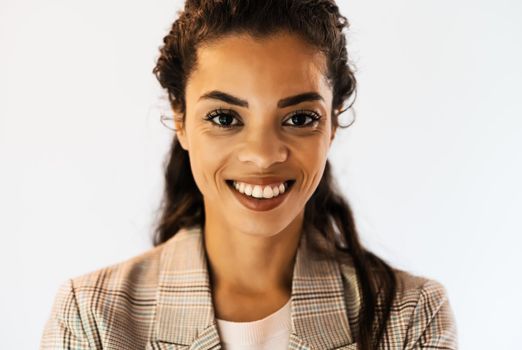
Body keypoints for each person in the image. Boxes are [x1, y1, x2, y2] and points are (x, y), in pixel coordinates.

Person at [40, 1, 457, 349]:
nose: (262, 156)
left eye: (299, 118)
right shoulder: (93, 317)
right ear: (180, 120)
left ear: (333, 123)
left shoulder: (409, 316)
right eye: (224, 117)